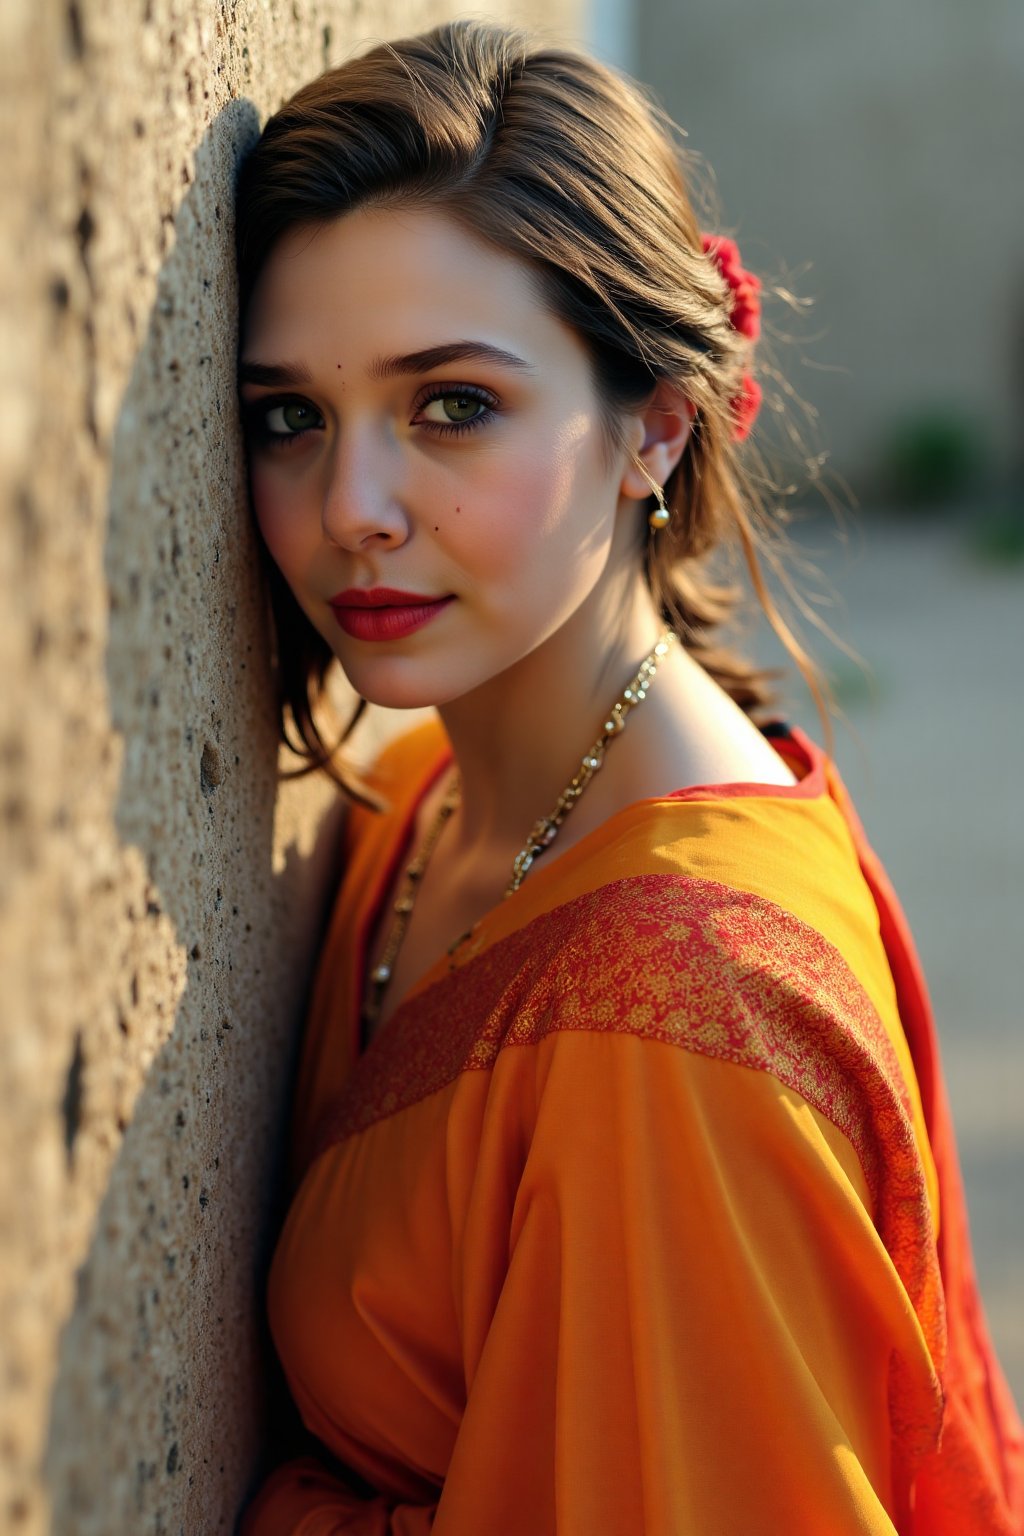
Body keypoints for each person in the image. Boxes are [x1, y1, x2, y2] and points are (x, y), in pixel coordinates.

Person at [233, 20, 1023, 1534]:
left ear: (652, 429)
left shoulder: (670, 1016)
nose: (354, 509)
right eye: (290, 419)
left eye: (452, 404)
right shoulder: (431, 804)